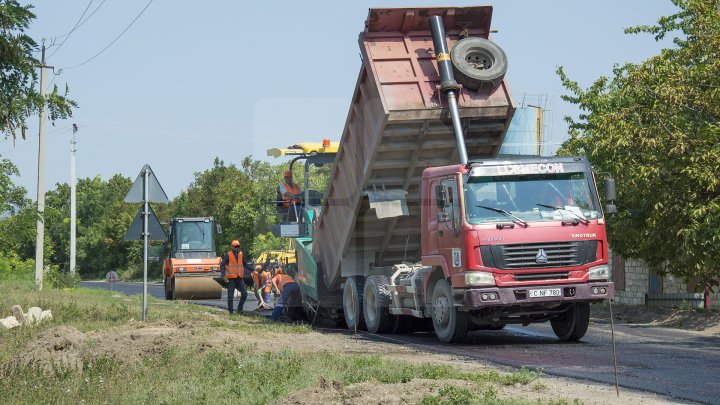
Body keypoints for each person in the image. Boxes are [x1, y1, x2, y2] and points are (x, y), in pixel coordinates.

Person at [220, 239, 253, 314]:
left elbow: (246, 264)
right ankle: (231, 313)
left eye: (238, 246)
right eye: (235, 246)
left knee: (245, 294)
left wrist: (254, 269)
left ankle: (239, 310)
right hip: (231, 279)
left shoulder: (241, 254)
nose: (237, 248)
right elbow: (221, 265)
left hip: (239, 278)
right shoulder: (228, 255)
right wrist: (223, 276)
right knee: (230, 297)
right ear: (232, 247)